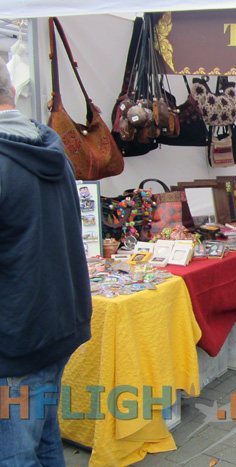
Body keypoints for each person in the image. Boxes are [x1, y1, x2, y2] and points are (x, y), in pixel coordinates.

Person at [0, 60, 92, 465]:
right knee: (44, 438)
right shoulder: (48, 144)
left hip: (18, 336)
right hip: (57, 324)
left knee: (17, 452)